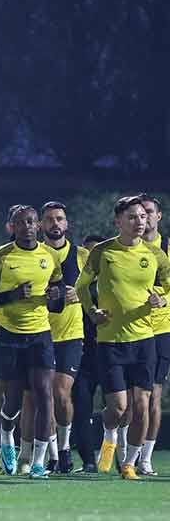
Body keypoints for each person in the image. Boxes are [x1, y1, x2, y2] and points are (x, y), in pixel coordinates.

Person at [75, 195, 170, 480]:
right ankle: (109, 434)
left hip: (144, 338)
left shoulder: (156, 255)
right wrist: (92, 312)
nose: (139, 222)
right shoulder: (103, 252)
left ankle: (129, 463)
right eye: (132, 217)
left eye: (142, 216)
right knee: (118, 407)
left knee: (142, 405)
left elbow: (167, 285)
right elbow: (81, 286)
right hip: (111, 341)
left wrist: (161, 300)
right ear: (118, 222)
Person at [0, 206, 65, 479]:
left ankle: (40, 463)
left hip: (40, 334)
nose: (27, 227)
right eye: (21, 223)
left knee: (45, 395)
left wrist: (57, 297)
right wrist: (13, 294)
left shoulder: (50, 256)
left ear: (39, 225)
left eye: (31, 222)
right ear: (12, 227)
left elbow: (58, 300)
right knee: (13, 400)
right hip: (9, 335)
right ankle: (7, 437)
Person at [39, 201, 90, 474]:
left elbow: (98, 289)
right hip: (40, 333)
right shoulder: (34, 254)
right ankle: (51, 453)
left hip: (71, 333)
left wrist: (80, 295)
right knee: (45, 395)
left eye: (59, 218)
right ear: (40, 225)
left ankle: (65, 448)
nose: (54, 224)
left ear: (67, 224)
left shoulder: (82, 255)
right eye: (49, 219)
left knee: (60, 392)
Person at [70, 234, 107, 472]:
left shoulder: (115, 285)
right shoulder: (77, 288)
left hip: (112, 350)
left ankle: (117, 457)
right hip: (84, 354)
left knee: (119, 407)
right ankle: (89, 461)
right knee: (81, 407)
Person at [138, 194, 167, 475]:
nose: (144, 218)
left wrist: (164, 301)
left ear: (159, 216)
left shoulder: (167, 249)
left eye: (149, 212)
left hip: (159, 331)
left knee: (152, 397)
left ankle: (145, 457)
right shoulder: (124, 248)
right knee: (127, 400)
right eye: (140, 213)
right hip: (127, 330)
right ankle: (124, 450)